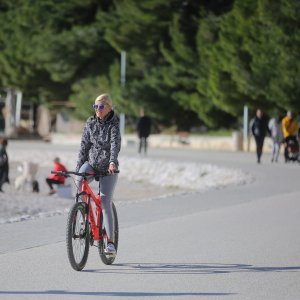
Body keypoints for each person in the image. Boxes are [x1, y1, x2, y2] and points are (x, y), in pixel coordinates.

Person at [76, 93, 121, 255]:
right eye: (95, 106)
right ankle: (83, 213)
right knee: (78, 179)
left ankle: (110, 242)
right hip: (92, 164)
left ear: (109, 108)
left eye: (101, 107)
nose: (98, 110)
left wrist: (112, 162)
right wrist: (78, 167)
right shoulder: (90, 123)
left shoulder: (114, 125)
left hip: (108, 167)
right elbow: (84, 146)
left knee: (104, 202)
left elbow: (115, 145)